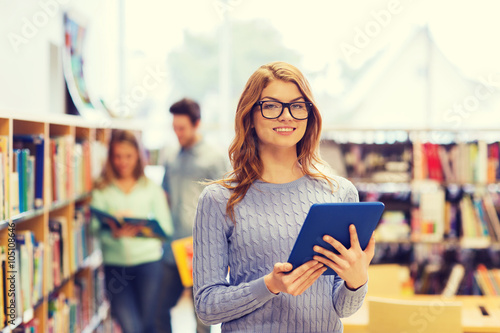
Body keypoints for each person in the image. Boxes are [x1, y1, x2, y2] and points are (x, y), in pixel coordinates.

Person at [192, 62, 375, 332]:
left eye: (297, 106)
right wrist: (269, 286)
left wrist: (356, 280)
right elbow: (207, 308)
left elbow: (342, 308)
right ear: (249, 116)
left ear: (309, 115)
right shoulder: (219, 199)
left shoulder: (340, 193)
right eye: (271, 106)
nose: (286, 116)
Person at [91, 129, 173, 333]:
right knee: (131, 328)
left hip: (149, 265)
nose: (123, 162)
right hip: (115, 267)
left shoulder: (150, 188)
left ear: (138, 156)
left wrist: (141, 229)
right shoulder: (102, 189)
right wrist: (112, 232)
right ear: (111, 157)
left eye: (128, 156)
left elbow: (166, 229)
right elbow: (93, 228)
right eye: (117, 156)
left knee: (148, 325)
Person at [157, 98, 227, 333]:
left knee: (202, 318)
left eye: (182, 128)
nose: (177, 133)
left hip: (202, 250)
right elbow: (164, 194)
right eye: (174, 128)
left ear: (197, 124)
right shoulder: (170, 156)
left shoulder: (215, 158)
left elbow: (228, 203)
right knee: (158, 308)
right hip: (171, 249)